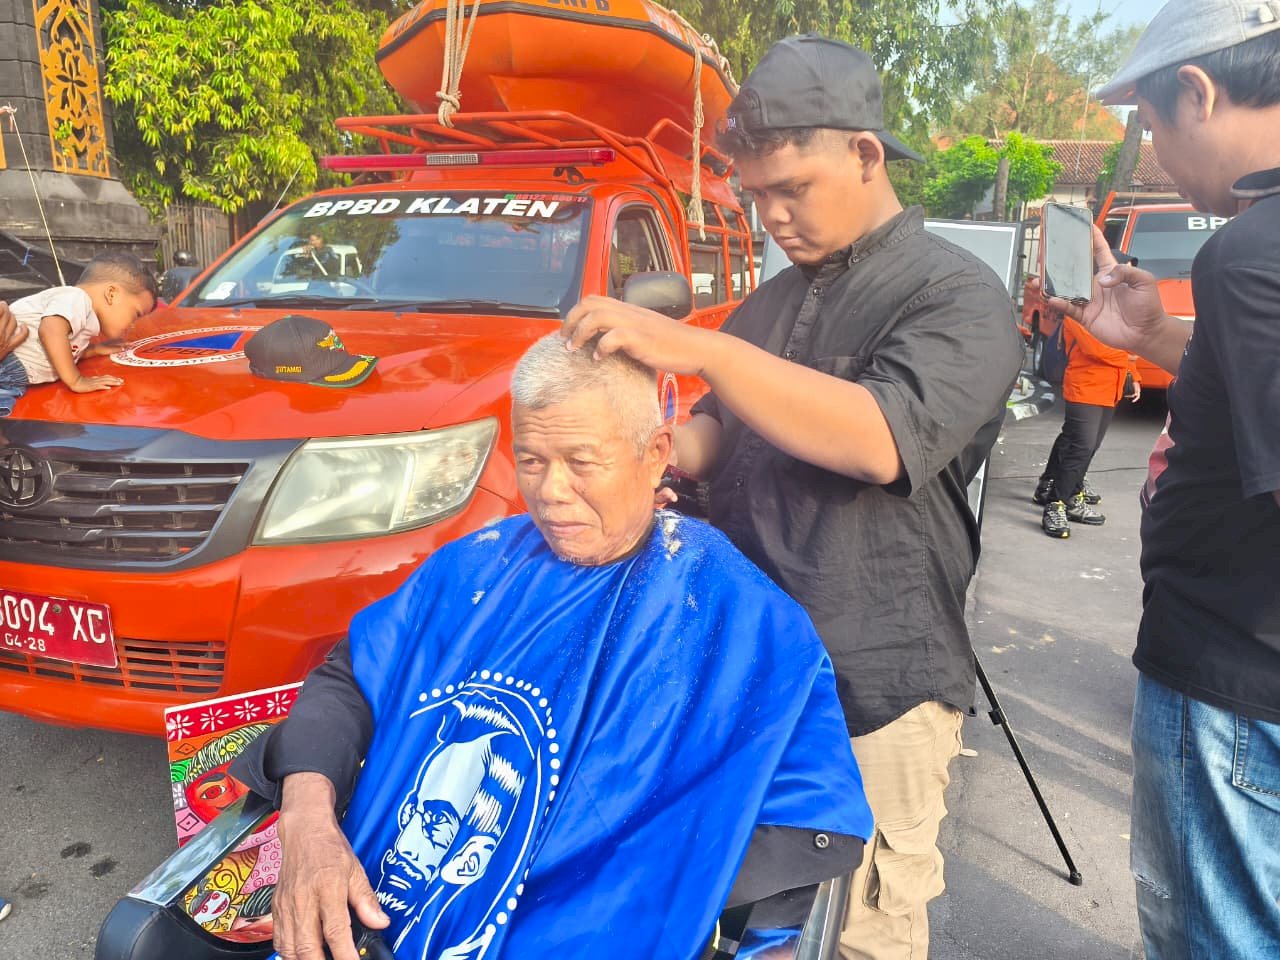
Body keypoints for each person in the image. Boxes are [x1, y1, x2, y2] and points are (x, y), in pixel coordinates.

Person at [562, 35, 1025, 960]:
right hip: (734, 669)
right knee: (732, 915)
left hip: (870, 685)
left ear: (865, 154)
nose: (770, 216)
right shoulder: (769, 308)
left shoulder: (955, 296)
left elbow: (879, 439)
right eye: (755, 195)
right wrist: (639, 455)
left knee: (856, 931)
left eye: (792, 191)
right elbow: (719, 432)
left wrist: (705, 350)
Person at [230, 334, 874, 960]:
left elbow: (803, 817)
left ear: (654, 454)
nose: (551, 491)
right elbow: (349, 680)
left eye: (581, 462)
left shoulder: (731, 611)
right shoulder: (475, 569)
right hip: (368, 920)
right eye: (532, 460)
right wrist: (308, 819)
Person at [1039, 4, 1280, 956]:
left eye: (1148, 122)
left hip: (1234, 684)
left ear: (1200, 91)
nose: (1155, 158)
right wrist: (1151, 337)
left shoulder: (1251, 254)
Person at [0, 251, 157, 416]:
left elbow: (64, 347)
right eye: (136, 314)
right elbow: (50, 331)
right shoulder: (76, 298)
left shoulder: (84, 318)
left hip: (12, 378)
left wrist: (93, 350)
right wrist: (76, 380)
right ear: (111, 294)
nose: (133, 325)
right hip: (6, 366)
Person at [1034, 316, 1141, 538]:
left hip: (1111, 388)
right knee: (1081, 446)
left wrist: (1133, 375)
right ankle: (1055, 504)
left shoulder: (1115, 311)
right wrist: (1127, 354)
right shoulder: (1078, 312)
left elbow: (1125, 342)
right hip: (1085, 387)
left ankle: (1073, 496)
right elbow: (1096, 349)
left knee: (1090, 446)